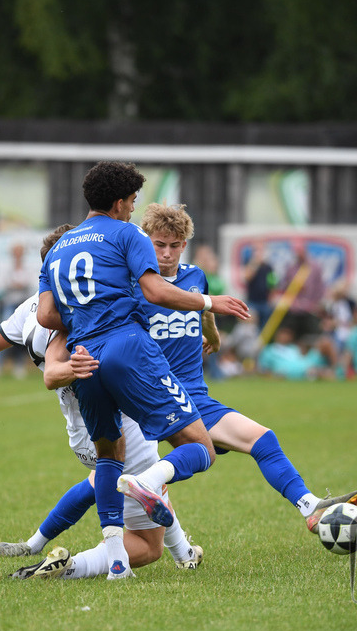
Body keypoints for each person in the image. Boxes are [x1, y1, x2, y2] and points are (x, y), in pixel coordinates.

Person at [0, 225, 201, 577]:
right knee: (146, 542)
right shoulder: (79, 312)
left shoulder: (30, 309)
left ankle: (183, 552)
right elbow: (53, 374)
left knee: (109, 483)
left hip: (80, 434)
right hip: (115, 421)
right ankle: (72, 567)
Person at [36, 162, 250, 579]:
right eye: (132, 202)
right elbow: (154, 290)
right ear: (118, 203)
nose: (134, 210)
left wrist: (87, 315)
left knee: (109, 459)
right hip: (127, 348)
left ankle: (116, 562)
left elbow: (46, 315)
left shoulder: (60, 245)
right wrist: (211, 303)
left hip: (86, 359)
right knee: (201, 448)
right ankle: (151, 482)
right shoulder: (127, 234)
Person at [128, 202, 357, 534]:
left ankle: (310, 508)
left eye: (174, 245)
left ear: (184, 244)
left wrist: (213, 337)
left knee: (263, 440)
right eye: (159, 244)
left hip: (195, 396)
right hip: (157, 395)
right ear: (147, 241)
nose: (166, 253)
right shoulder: (135, 286)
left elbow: (203, 307)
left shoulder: (195, 276)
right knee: (194, 456)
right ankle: (140, 487)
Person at [0, 241, 36, 378]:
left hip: (24, 304)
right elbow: (2, 284)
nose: (17, 255)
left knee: (23, 335)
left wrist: (20, 285)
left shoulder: (28, 267)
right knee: (3, 332)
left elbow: (32, 283)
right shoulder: (7, 268)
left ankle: (19, 364)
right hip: (10, 303)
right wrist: (15, 285)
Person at [243, 241, 277, 333]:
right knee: (251, 328)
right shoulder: (250, 264)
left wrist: (271, 299)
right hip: (252, 302)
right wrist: (255, 263)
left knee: (264, 329)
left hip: (265, 302)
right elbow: (247, 277)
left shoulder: (268, 267)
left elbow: (272, 284)